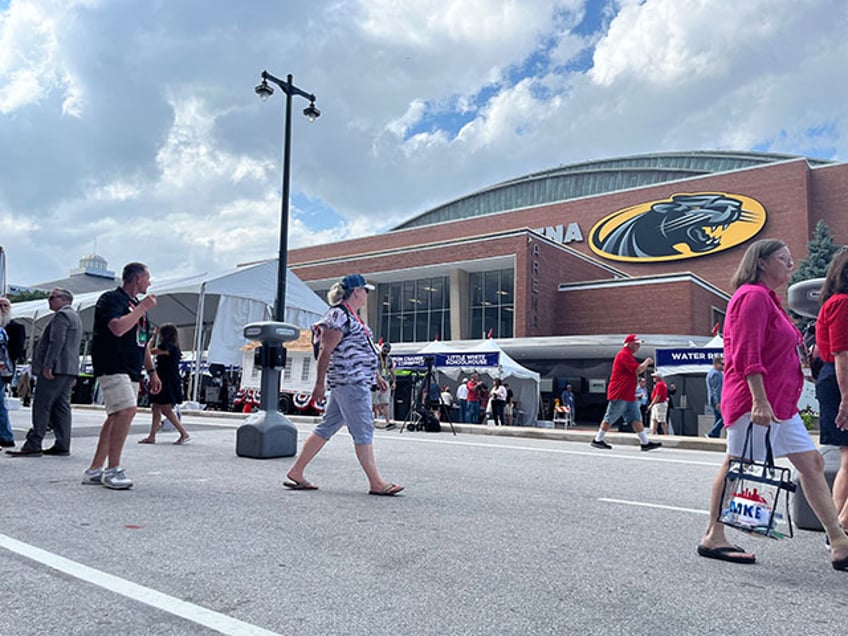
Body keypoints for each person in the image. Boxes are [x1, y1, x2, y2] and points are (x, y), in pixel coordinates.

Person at [697, 239, 848, 569]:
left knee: (812, 464)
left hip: (780, 404)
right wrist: (759, 400)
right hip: (757, 401)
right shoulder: (751, 297)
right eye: (784, 259)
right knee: (736, 464)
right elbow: (746, 354)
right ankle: (713, 535)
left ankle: (839, 542)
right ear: (762, 262)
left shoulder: (769, 300)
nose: (790, 265)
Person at [284, 274, 403, 496]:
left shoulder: (353, 317)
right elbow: (326, 350)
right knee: (364, 429)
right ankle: (376, 482)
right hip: (350, 381)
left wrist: (375, 374)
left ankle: (296, 472)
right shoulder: (339, 315)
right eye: (365, 291)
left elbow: (361, 350)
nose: (367, 295)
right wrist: (319, 384)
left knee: (326, 427)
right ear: (356, 291)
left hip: (353, 380)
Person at [82, 262, 159, 490]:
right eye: (147, 278)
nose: (149, 282)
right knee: (126, 410)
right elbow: (117, 328)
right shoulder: (111, 299)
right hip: (112, 363)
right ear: (136, 279)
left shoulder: (136, 306)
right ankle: (112, 469)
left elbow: (143, 343)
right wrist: (142, 308)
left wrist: (152, 372)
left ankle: (95, 469)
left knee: (117, 414)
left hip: (131, 367)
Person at [7, 289, 83, 457]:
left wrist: (48, 366)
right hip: (67, 369)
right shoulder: (75, 316)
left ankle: (34, 443)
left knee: (42, 404)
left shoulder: (61, 316)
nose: (49, 300)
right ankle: (63, 443)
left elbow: (56, 342)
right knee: (61, 406)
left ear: (63, 299)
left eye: (52, 297)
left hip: (55, 368)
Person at [815, 248, 848, 532]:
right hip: (841, 382)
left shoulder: (834, 302)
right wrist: (846, 399)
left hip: (836, 380)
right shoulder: (842, 303)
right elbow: (841, 353)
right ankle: (840, 527)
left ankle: (838, 528)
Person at [590, 334, 662, 451]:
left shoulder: (627, 355)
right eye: (636, 344)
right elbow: (637, 370)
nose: (638, 346)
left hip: (628, 394)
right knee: (610, 416)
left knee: (636, 418)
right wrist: (647, 362)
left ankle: (645, 443)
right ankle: (598, 439)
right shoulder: (624, 354)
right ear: (629, 344)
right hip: (620, 393)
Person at [138, 323, 191, 445]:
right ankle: (152, 436)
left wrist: (152, 337)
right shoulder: (174, 347)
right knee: (156, 407)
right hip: (169, 378)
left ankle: (183, 433)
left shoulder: (167, 347)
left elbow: (149, 351)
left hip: (166, 380)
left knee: (165, 409)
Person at [0, 296, 26, 448]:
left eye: (5, 305)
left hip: (4, 369)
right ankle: (5, 435)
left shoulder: (16, 327)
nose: (3, 308)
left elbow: (17, 351)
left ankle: (5, 435)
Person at [373, 342, 396, 430]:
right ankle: (370, 419)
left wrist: (394, 382)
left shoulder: (389, 359)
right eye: (384, 349)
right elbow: (373, 368)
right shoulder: (376, 357)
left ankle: (387, 421)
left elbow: (392, 371)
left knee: (386, 402)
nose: (385, 352)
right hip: (376, 381)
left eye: (387, 351)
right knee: (372, 402)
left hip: (385, 381)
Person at [705, 356, 725, 438]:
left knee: (718, 418)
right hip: (717, 401)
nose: (724, 366)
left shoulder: (711, 373)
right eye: (722, 364)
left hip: (713, 400)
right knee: (724, 418)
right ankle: (712, 433)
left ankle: (714, 435)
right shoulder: (716, 374)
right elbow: (717, 389)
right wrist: (718, 402)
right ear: (716, 364)